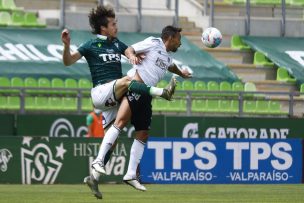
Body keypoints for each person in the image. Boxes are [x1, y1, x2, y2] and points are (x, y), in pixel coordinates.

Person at [61, 6, 177, 199]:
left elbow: (130, 52)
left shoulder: (116, 44)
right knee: (129, 80)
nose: (116, 26)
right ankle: (162, 93)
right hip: (101, 92)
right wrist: (66, 45)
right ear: (103, 27)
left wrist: (132, 56)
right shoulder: (90, 45)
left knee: (112, 143)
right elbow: (68, 61)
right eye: (113, 24)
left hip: (114, 98)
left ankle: (94, 177)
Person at [89, 25, 191, 195]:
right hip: (135, 88)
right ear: (170, 37)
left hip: (147, 96)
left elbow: (171, 66)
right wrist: (133, 56)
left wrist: (182, 73)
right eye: (178, 40)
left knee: (143, 134)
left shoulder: (167, 57)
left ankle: (130, 175)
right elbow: (131, 48)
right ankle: (98, 161)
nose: (179, 44)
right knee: (120, 123)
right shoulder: (153, 42)